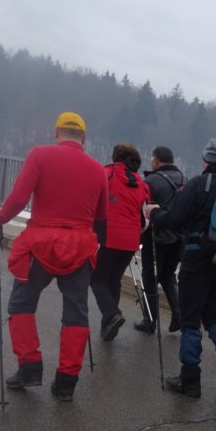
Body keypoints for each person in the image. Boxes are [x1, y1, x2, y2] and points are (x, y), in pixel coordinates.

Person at [0, 111, 107, 402]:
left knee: (22, 303)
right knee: (76, 312)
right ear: (84, 138)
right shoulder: (97, 170)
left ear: (56, 133)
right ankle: (66, 382)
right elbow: (101, 214)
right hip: (79, 247)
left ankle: (29, 367)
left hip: (40, 244)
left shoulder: (39, 156)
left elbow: (19, 198)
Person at [144, 137, 216, 399]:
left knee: (190, 320)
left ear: (206, 160)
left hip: (198, 262)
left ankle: (190, 379)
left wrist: (153, 213)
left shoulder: (201, 184)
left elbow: (173, 218)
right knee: (214, 317)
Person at [89, 143, 150, 342]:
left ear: (116, 157)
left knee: (96, 279)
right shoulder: (142, 184)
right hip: (131, 241)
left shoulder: (107, 173)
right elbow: (144, 218)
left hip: (110, 236)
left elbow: (93, 197)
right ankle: (108, 325)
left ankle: (112, 314)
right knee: (113, 279)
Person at [134, 146, 186, 335]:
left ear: (156, 161)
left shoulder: (151, 181)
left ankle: (149, 320)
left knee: (150, 277)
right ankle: (178, 316)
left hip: (156, 237)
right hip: (179, 238)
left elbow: (142, 211)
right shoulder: (185, 179)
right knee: (168, 275)